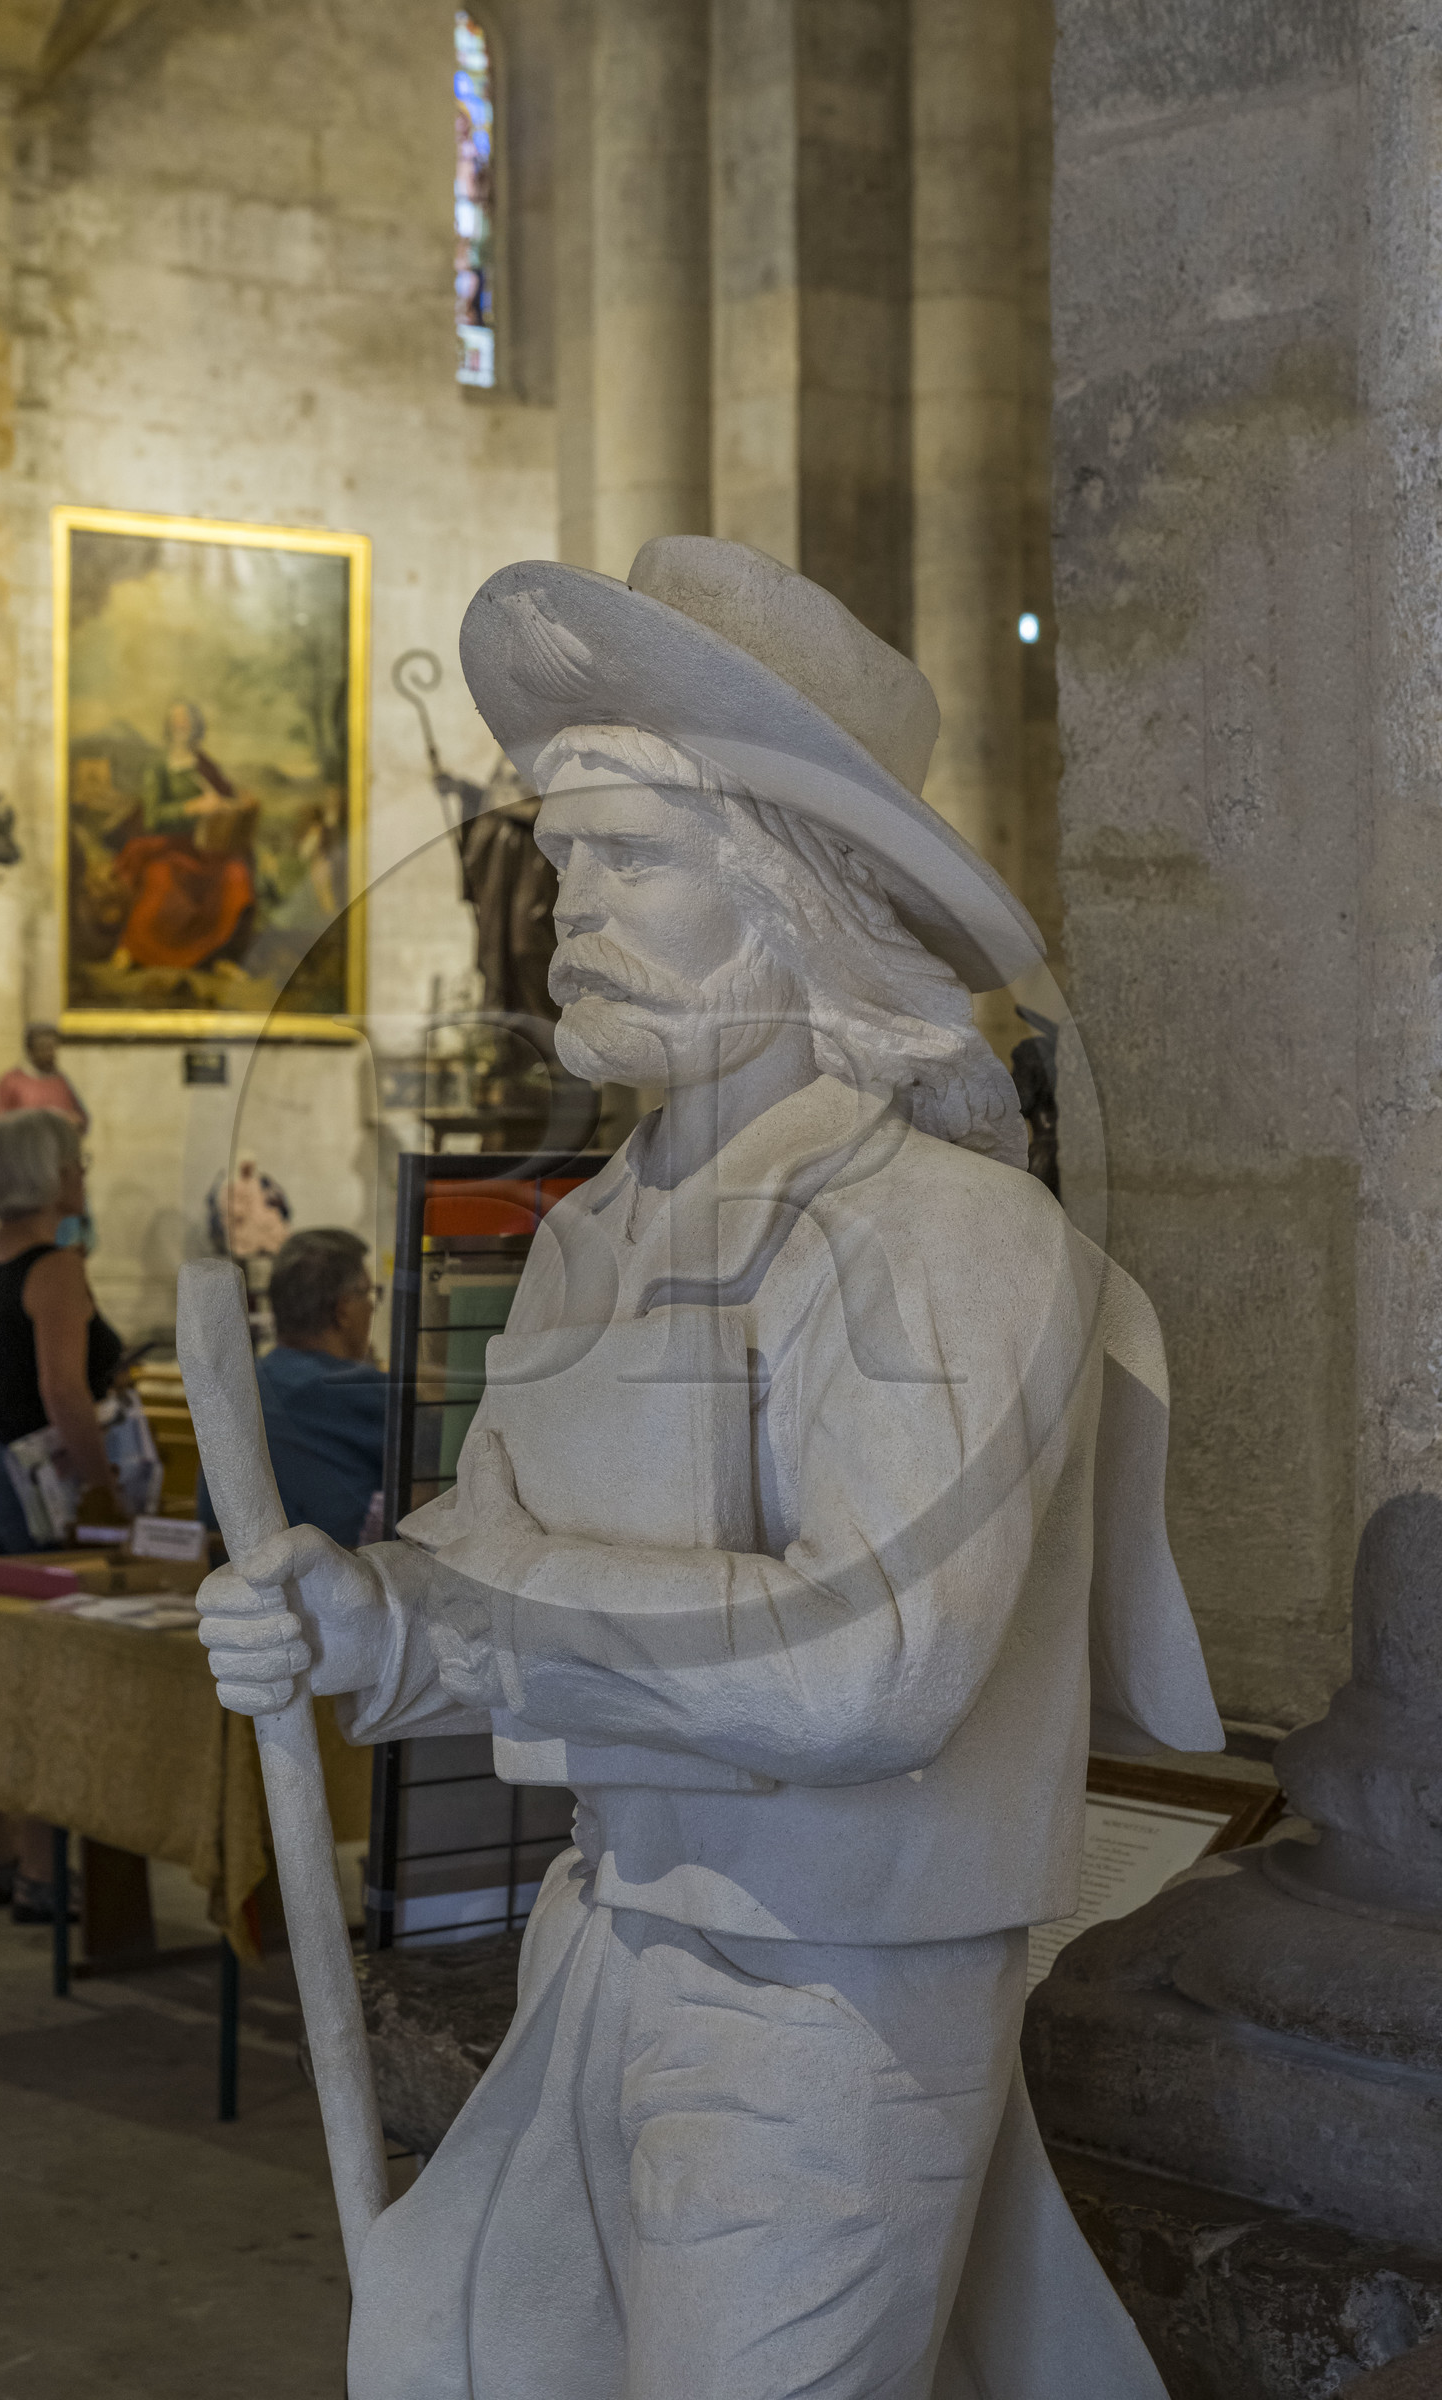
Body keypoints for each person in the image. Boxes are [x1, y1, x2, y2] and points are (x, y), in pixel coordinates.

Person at [195, 540, 1223, 2399]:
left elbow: (867, 1666)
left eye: (634, 860)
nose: (570, 907)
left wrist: (484, 1615)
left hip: (827, 1994)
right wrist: (365, 1622)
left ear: (793, 893)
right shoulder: (591, 1239)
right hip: (605, 1938)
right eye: (564, 859)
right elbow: (483, 1543)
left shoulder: (947, 1238)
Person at [0, 1108, 125, 1921]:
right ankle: (44, 1873)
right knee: (49, 1674)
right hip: (43, 1489)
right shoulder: (54, 1266)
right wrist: (101, 1486)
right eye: (74, 1162)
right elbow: (64, 1394)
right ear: (49, 1174)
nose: (82, 1173)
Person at [197, 1229, 384, 1552]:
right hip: (336, 1575)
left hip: (230, 1570)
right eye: (368, 1294)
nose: (371, 1307)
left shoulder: (244, 1382)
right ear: (342, 1310)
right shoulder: (353, 1389)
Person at [109, 700, 256, 975]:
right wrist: (192, 807)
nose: (181, 725)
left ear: (195, 726)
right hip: (169, 844)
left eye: (186, 720)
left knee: (236, 874)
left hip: (207, 847)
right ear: (168, 727)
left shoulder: (204, 764)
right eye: (175, 720)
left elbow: (225, 796)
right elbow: (153, 818)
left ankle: (218, 956)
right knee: (163, 877)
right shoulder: (159, 767)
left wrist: (234, 804)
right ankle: (134, 949)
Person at [0, 1022, 89, 1130]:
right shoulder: (12, 1081)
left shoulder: (60, 1081)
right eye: (43, 1048)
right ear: (30, 1050)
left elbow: (82, 1120)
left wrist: (72, 1120)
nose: (49, 1054)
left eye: (52, 1048)